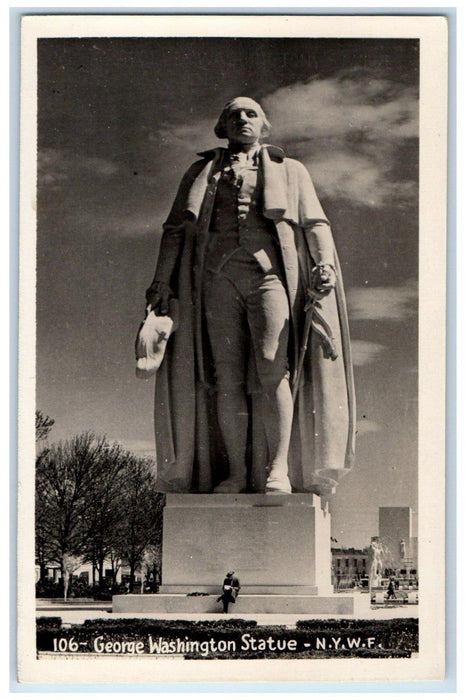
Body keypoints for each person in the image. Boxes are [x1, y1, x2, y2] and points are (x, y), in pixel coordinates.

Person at [146, 96, 355, 495]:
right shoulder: (201, 172)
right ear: (222, 127)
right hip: (215, 281)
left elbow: (315, 224)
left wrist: (324, 264)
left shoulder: (291, 171)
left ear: (264, 126)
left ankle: (278, 469)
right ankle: (238, 473)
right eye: (234, 114)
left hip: (269, 278)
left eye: (251, 113)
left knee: (272, 368)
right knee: (225, 378)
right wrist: (161, 282)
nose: (243, 119)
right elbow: (175, 230)